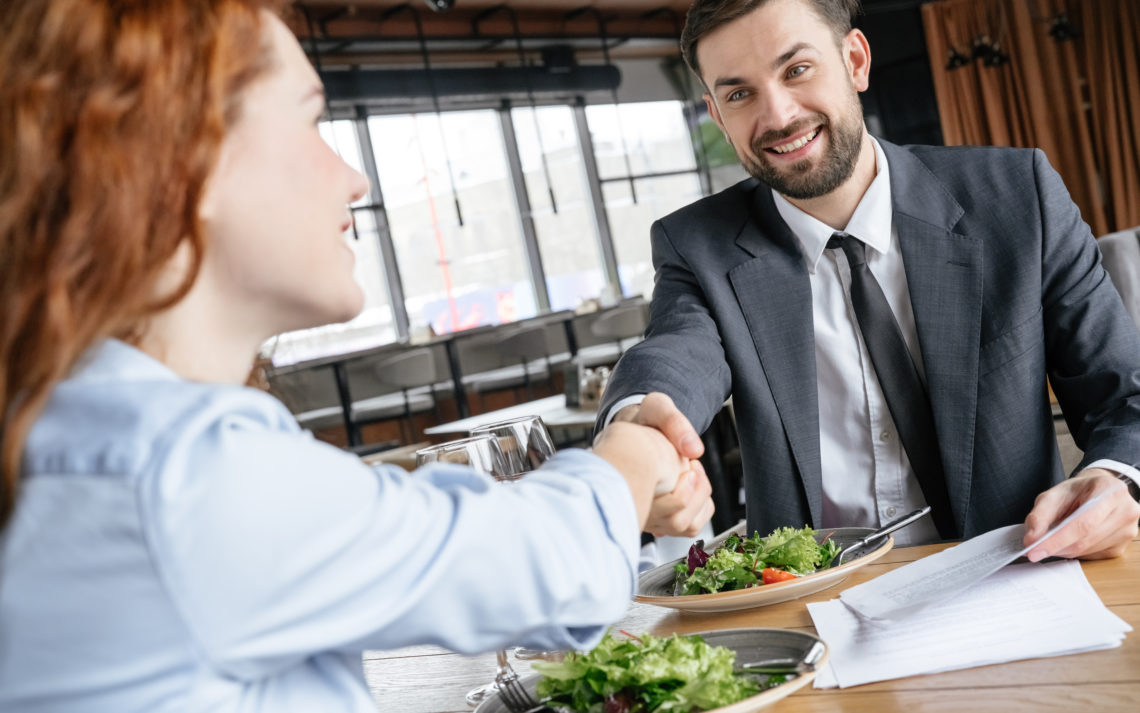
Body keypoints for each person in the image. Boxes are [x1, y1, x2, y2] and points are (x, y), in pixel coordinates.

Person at [0, 1, 714, 711]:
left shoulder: (67, 435)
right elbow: (544, 561)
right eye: (311, 120)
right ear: (180, 153)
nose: (356, 180)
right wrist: (636, 451)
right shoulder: (181, 473)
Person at [599, 0, 1140, 560]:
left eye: (796, 70)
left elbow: (1126, 394)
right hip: (813, 607)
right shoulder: (697, 244)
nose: (779, 115)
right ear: (717, 114)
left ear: (855, 61)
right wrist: (639, 425)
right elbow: (675, 350)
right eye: (740, 94)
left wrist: (1118, 478)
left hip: (1014, 573)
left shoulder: (1018, 197)